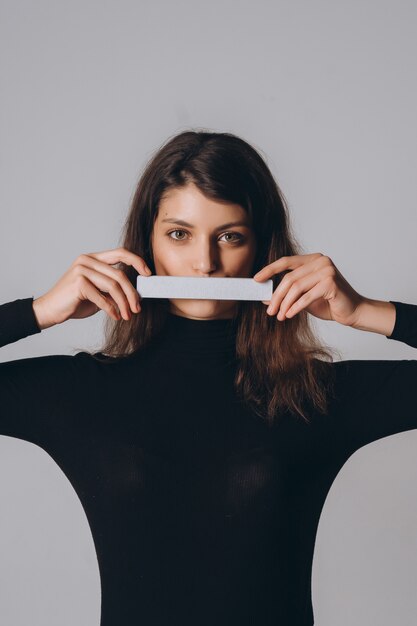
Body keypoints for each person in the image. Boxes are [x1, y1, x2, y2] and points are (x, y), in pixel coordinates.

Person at [1, 129, 416, 626]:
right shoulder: (78, 392)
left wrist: (367, 312)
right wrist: (39, 311)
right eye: (179, 234)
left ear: (263, 248)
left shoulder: (315, 395)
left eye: (230, 236)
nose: (205, 264)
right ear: (146, 243)